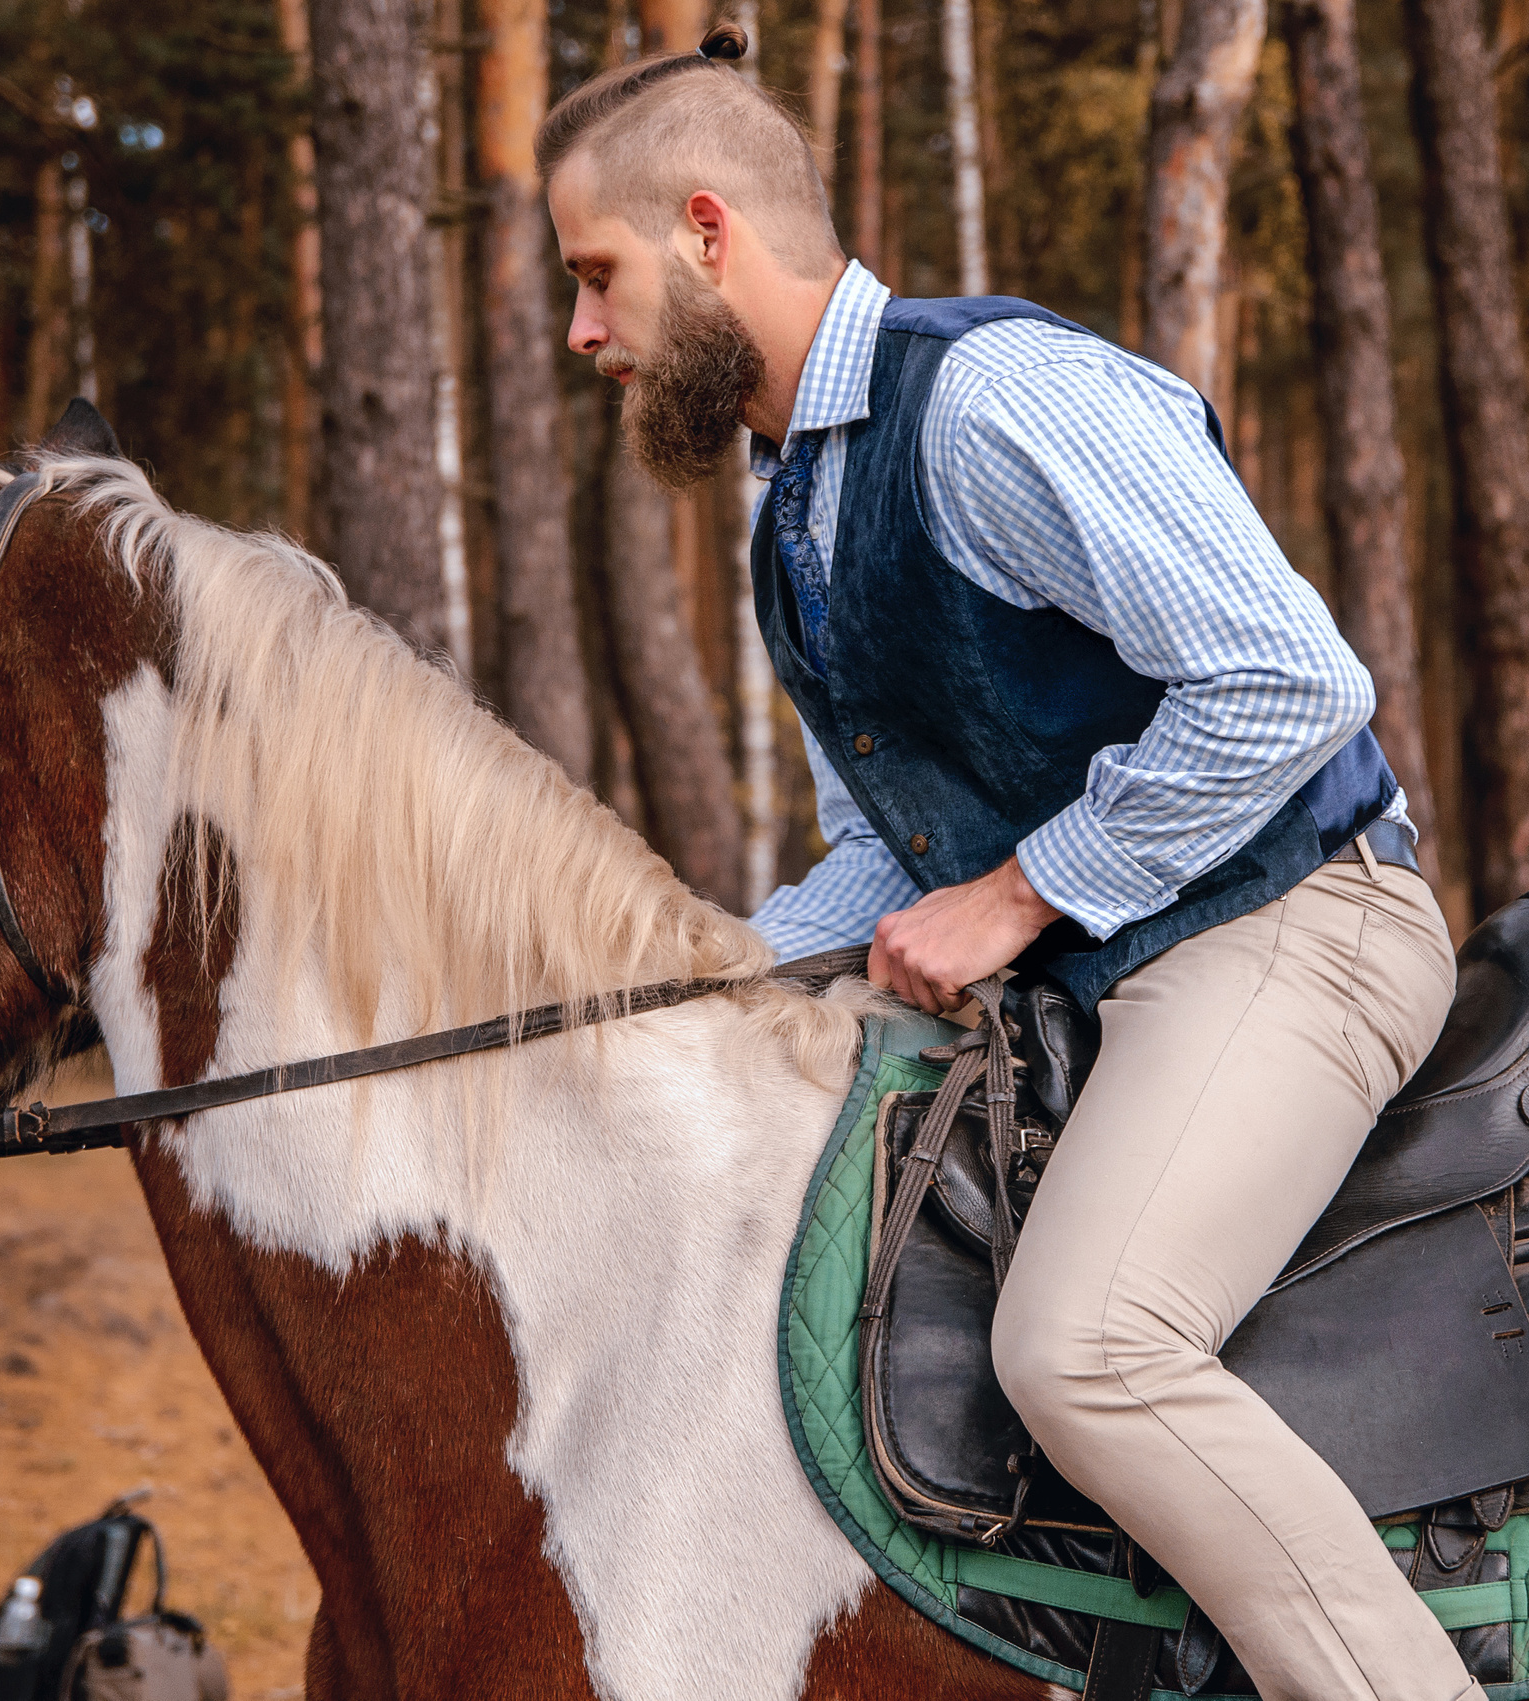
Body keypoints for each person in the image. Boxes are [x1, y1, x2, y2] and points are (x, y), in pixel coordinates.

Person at [536, 28, 1478, 1701]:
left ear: (704, 229)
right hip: (1112, 987)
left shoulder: (985, 398)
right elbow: (877, 859)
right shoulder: (795, 514)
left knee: (1083, 1351)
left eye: (598, 276)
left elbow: (1291, 679)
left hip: (1297, 925)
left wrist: (1025, 893)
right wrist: (693, 983)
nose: (582, 329)